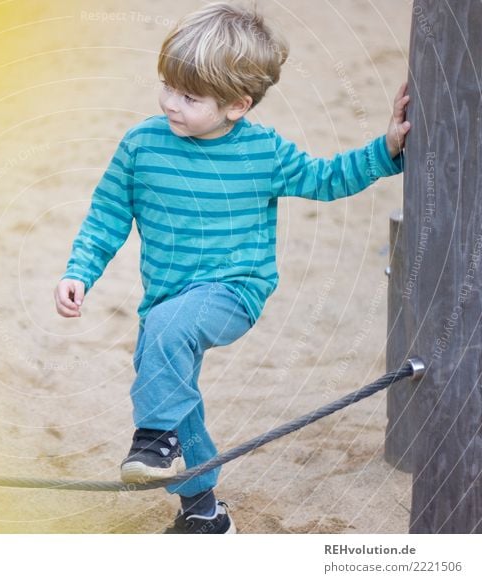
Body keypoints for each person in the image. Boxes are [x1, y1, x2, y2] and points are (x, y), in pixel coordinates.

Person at [54, 2, 410, 534]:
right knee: (170, 380)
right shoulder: (141, 146)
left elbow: (327, 178)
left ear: (237, 105)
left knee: (165, 349)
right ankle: (203, 512)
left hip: (234, 291)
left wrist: (385, 150)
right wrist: (79, 270)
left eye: (190, 97)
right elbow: (107, 216)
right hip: (167, 300)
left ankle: (152, 439)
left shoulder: (262, 152)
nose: (171, 103)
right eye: (167, 86)